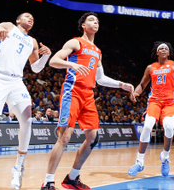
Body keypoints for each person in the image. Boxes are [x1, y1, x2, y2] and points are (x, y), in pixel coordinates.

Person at [41, 12, 134, 190]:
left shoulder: (98, 51)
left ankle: (72, 178)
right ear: (83, 25)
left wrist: (122, 85)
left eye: (97, 20)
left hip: (88, 95)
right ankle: (48, 181)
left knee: (93, 138)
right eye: (91, 20)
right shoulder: (75, 42)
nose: (95, 22)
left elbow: (100, 79)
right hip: (72, 91)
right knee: (65, 137)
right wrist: (72, 65)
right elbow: (54, 61)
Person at [0, 13, 52, 190]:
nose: (31, 19)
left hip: (16, 81)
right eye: (27, 16)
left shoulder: (33, 42)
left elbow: (35, 68)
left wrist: (45, 56)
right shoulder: (8, 26)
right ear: (18, 20)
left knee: (28, 120)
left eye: (33, 18)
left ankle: (18, 168)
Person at [128, 42, 174, 177]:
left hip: (169, 102)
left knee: (169, 127)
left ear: (168, 53)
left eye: (166, 48)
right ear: (157, 53)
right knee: (147, 126)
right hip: (154, 101)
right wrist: (135, 93)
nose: (164, 50)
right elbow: (142, 84)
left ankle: (165, 157)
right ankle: (139, 162)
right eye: (161, 48)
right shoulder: (150, 67)